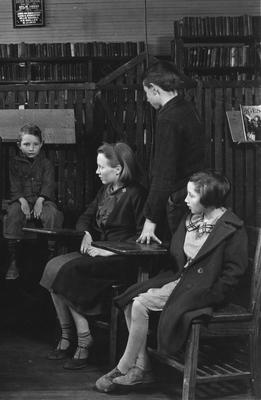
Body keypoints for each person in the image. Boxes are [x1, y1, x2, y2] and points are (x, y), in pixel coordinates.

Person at [95, 170, 247, 393]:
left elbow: (233, 272)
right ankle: (142, 368)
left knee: (139, 304)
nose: (186, 200)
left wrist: (210, 295)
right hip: (181, 280)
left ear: (208, 199)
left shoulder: (230, 228)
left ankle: (124, 366)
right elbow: (180, 255)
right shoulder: (192, 219)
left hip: (205, 290)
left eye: (191, 196)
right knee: (130, 300)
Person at [40, 142, 146, 370]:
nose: (97, 172)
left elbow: (140, 237)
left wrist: (108, 251)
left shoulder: (137, 194)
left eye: (101, 167)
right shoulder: (104, 191)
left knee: (67, 271)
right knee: (51, 266)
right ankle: (70, 335)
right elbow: (85, 216)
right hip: (97, 251)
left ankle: (83, 338)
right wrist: (87, 232)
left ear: (118, 169)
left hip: (121, 259)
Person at [137, 61, 205, 245]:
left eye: (146, 93)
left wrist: (150, 220)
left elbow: (164, 172)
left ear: (154, 89)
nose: (147, 99)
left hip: (177, 201)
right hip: (193, 197)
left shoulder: (168, 118)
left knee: (175, 255)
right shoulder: (187, 108)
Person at [3, 124, 64, 280]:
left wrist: (40, 200)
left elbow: (48, 184)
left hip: (42, 200)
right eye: (27, 144)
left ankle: (51, 257)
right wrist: (21, 200)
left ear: (41, 144)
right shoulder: (14, 164)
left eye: (35, 144)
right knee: (13, 215)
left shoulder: (46, 164)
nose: (31, 148)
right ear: (19, 145)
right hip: (21, 200)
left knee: (52, 214)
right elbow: (14, 184)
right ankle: (13, 260)